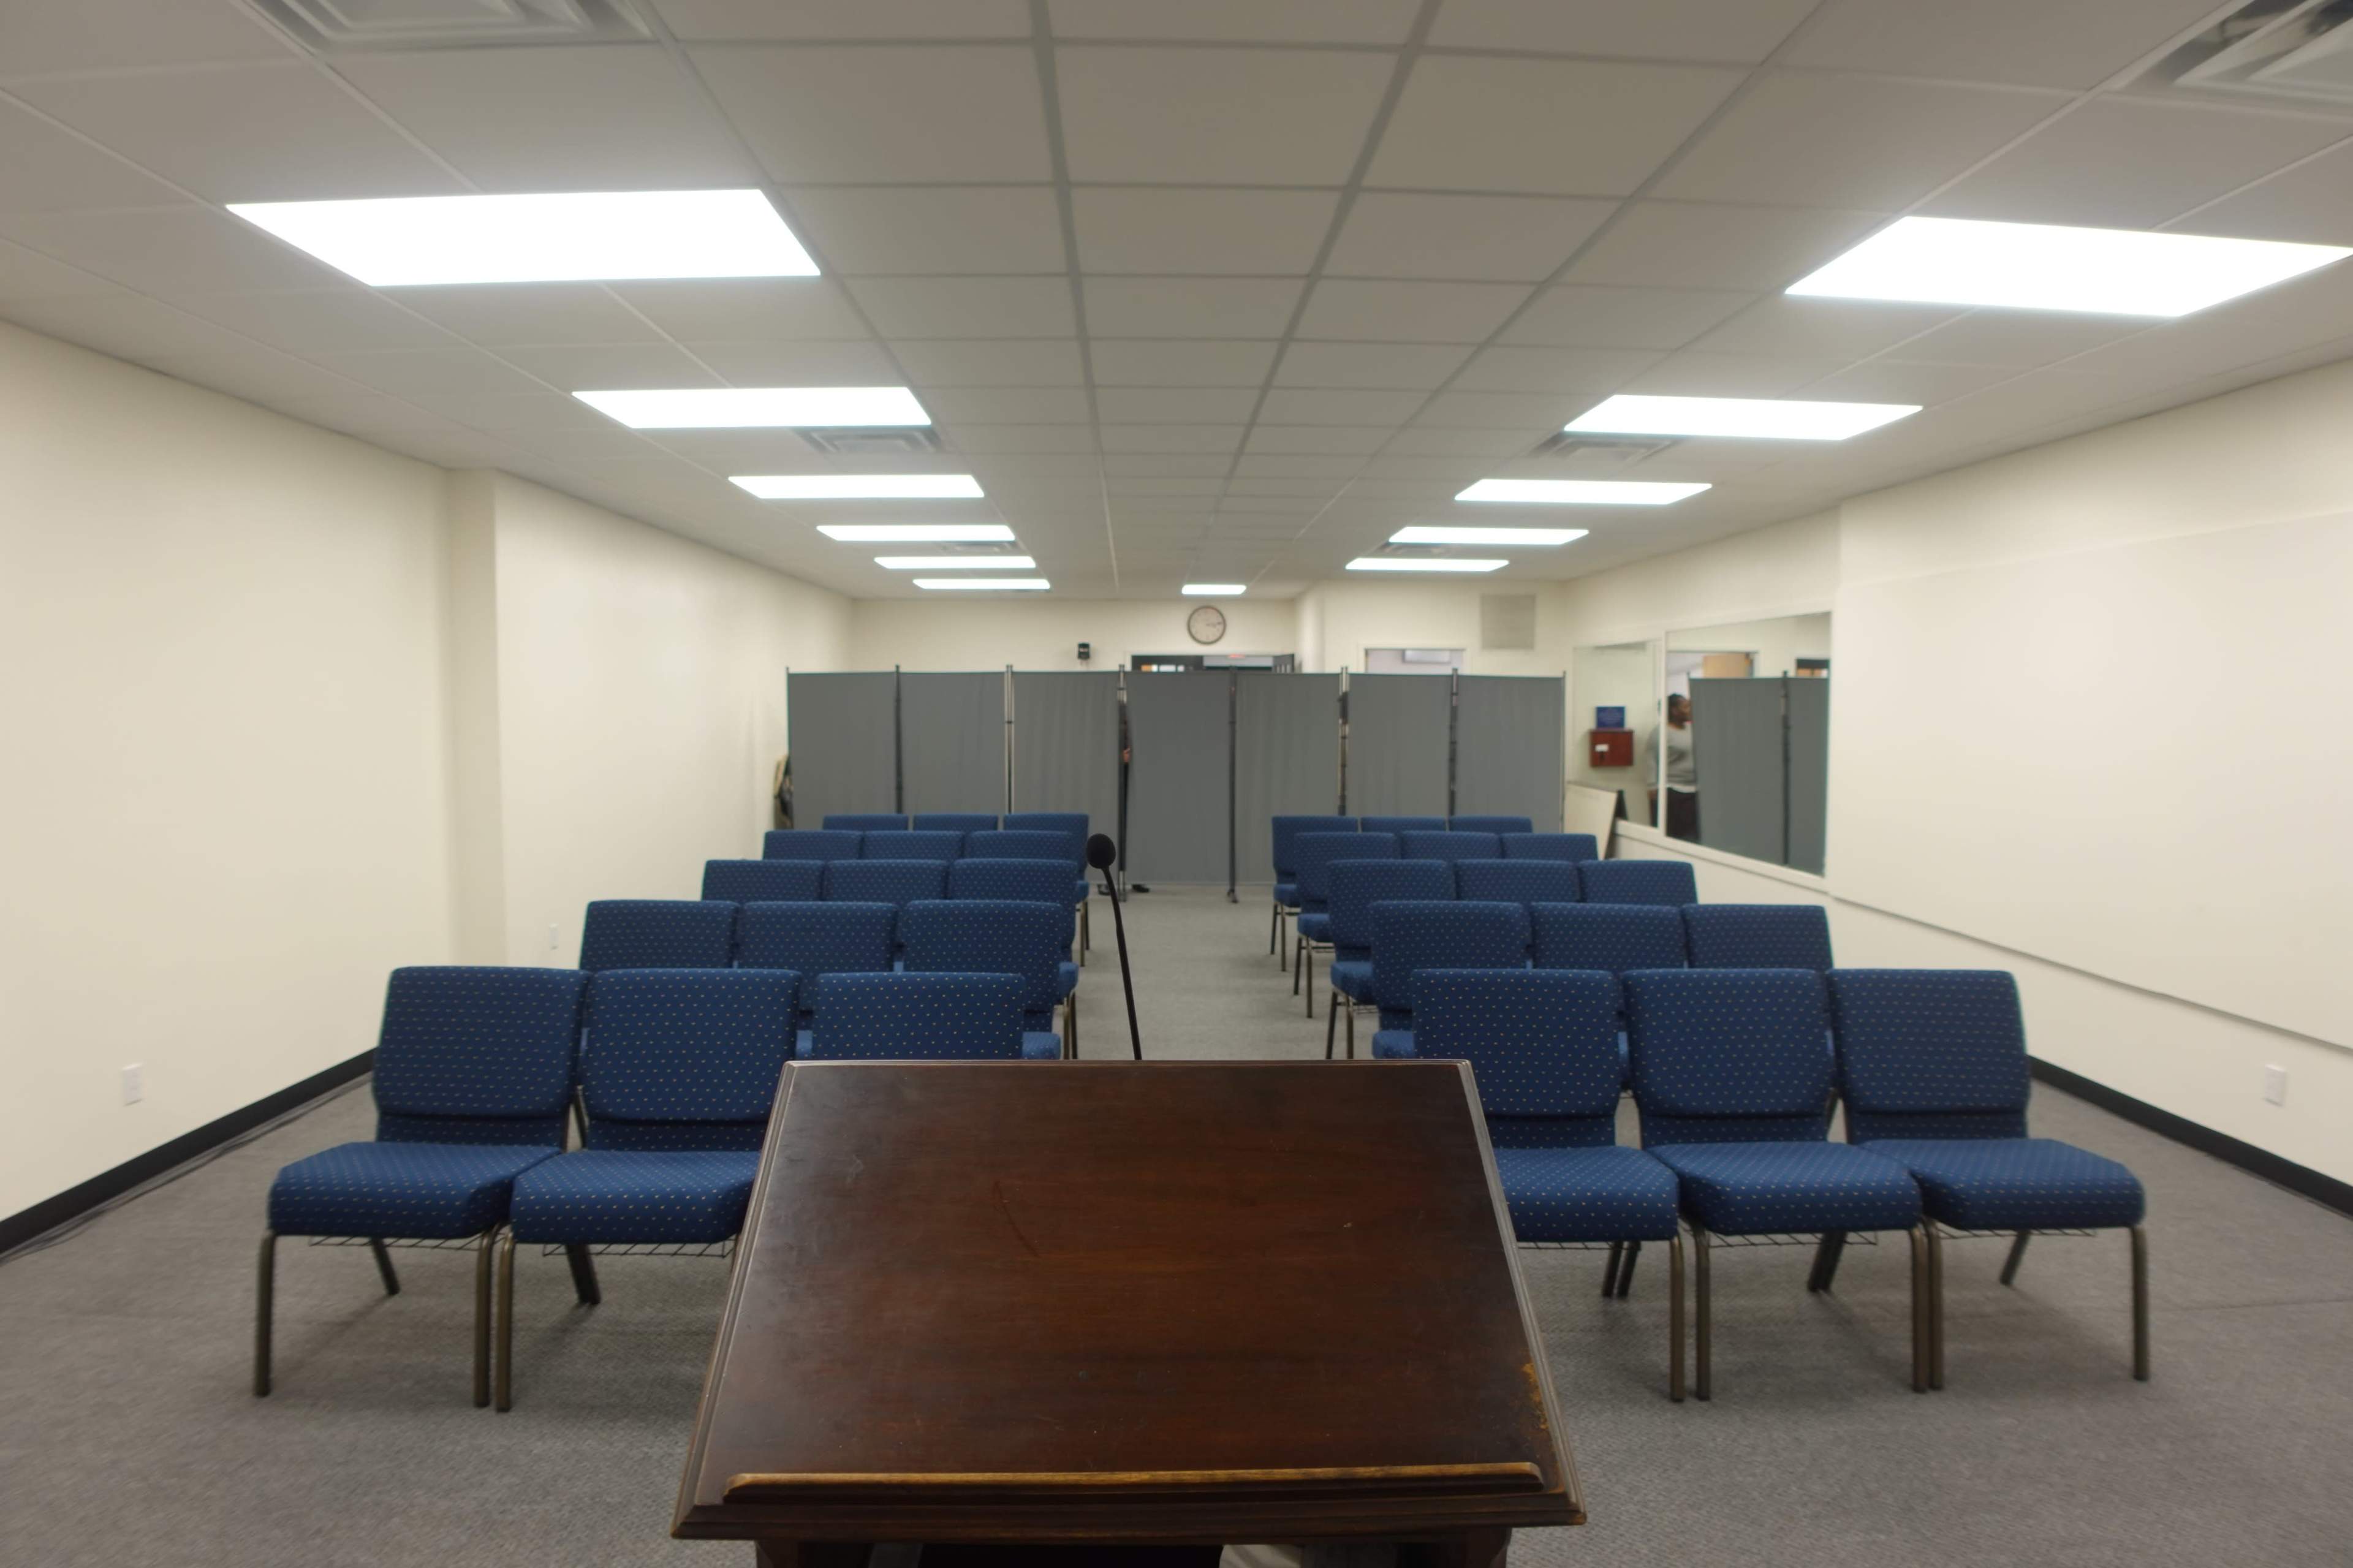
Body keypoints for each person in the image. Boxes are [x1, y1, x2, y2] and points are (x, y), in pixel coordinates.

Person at [1647, 692, 1699, 841]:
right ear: (1674, 711)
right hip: (1673, 791)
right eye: (1686, 706)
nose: (1690, 709)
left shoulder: (1691, 729)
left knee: (1693, 836)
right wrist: (1652, 786)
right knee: (1676, 836)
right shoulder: (1660, 733)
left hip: (1694, 790)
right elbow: (1651, 759)